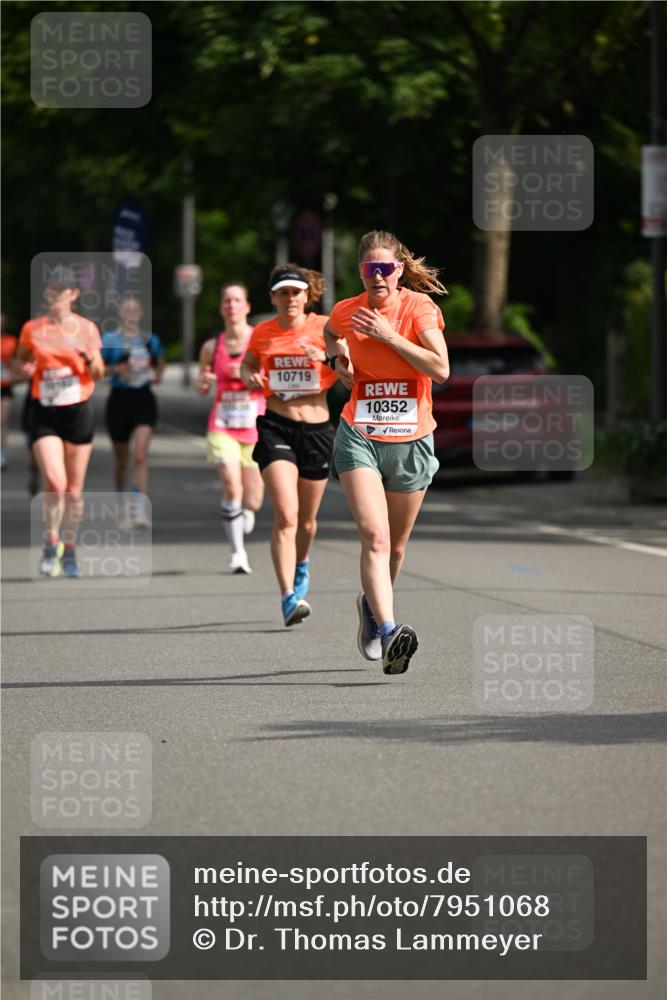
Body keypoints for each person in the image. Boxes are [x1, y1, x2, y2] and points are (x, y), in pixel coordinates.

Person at [323, 230, 449, 675]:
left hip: (412, 439)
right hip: (360, 434)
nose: (377, 276)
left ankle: (371, 610)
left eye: (385, 268)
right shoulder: (346, 310)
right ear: (360, 271)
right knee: (374, 538)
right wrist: (336, 359)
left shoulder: (418, 308)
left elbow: (441, 369)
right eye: (368, 269)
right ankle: (392, 631)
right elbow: (329, 331)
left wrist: (389, 336)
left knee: (395, 549)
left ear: (398, 271)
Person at [240, 264, 337, 626]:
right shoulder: (263, 332)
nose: (290, 298)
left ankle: (301, 563)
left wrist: (327, 358)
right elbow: (246, 366)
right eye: (283, 292)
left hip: (316, 429)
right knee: (287, 514)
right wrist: (250, 374)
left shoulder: (325, 326)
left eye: (296, 292)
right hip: (276, 426)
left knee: (307, 523)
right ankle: (287, 597)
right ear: (273, 298)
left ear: (306, 296)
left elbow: (351, 366)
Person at [14, 268, 105, 577]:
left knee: (74, 492)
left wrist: (89, 358)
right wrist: (23, 370)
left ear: (74, 294)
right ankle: (50, 542)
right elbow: (18, 362)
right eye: (51, 290)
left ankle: (71, 548)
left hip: (78, 412)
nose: (56, 295)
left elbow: (99, 374)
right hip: (44, 411)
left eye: (63, 290)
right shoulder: (32, 329)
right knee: (55, 482)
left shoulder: (87, 329)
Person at [196, 282, 265, 574]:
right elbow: (202, 385)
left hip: (254, 425)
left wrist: (251, 376)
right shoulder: (212, 347)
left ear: (247, 306)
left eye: (237, 300)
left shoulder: (260, 341)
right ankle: (238, 553)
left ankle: (245, 510)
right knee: (230, 484)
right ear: (222, 307)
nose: (232, 305)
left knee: (253, 498)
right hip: (222, 424)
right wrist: (203, 383)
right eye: (227, 301)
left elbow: (271, 382)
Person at [101, 295, 165, 528]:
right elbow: (97, 370)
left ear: (139, 314)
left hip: (143, 399)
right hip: (119, 401)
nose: (130, 315)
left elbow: (159, 362)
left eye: (134, 310)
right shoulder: (110, 339)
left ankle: (139, 510)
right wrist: (115, 369)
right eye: (125, 310)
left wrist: (157, 375)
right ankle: (121, 508)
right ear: (120, 314)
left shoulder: (150, 340)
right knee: (121, 460)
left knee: (139, 456)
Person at [1, 312, 17, 470]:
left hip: (4, 386)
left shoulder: (10, 341)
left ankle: (2, 454)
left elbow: (15, 362)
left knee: (3, 419)